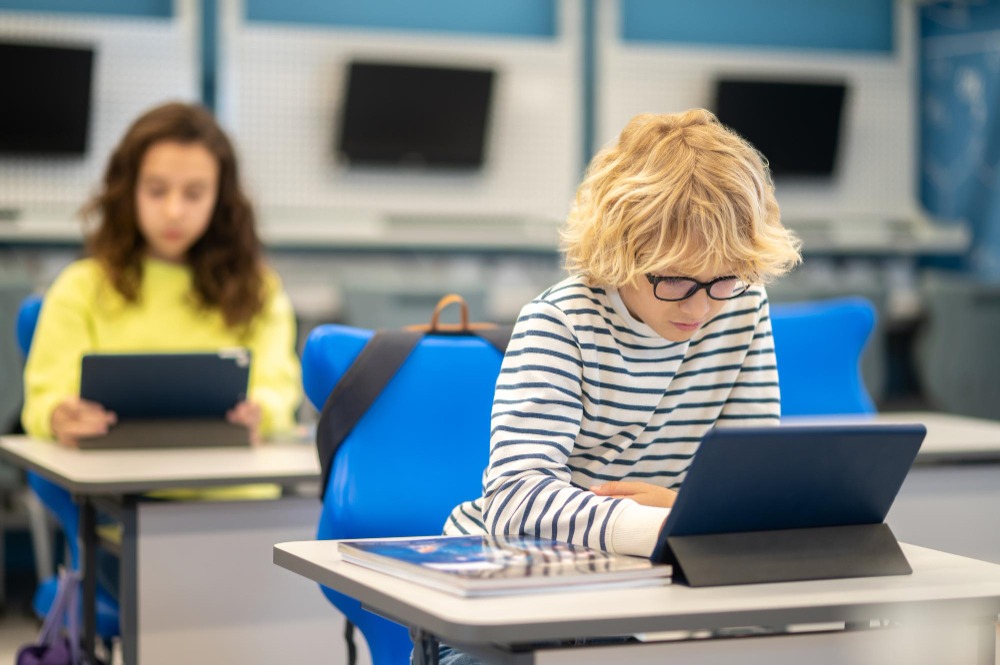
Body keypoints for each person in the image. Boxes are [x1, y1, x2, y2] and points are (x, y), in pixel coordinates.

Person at [432, 109, 801, 663]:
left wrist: (676, 516)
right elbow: (514, 501)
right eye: (674, 278)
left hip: (645, 586)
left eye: (722, 276)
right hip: (509, 589)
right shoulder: (559, 323)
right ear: (620, 252)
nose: (700, 306)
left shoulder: (741, 305)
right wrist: (667, 524)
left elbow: (747, 491)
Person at [22, 101, 302, 501]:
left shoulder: (259, 290)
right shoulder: (80, 287)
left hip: (237, 503)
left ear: (220, 198)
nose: (173, 211)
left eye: (194, 193)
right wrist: (58, 414)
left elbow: (278, 390)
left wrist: (261, 411)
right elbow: (43, 400)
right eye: (156, 191)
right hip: (121, 504)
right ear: (128, 190)